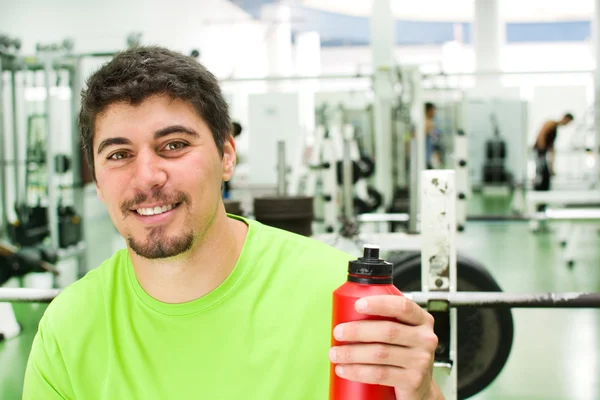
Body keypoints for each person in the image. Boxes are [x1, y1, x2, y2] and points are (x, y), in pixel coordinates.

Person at [23, 46, 442, 400]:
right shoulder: (69, 328)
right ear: (96, 179)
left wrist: (422, 392)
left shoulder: (344, 301)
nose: (147, 176)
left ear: (226, 155)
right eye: (118, 154)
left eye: (173, 145)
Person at [533, 113, 574, 191]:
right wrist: (542, 150)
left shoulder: (555, 129)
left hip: (543, 151)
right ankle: (539, 187)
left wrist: (552, 165)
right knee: (541, 169)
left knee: (544, 171)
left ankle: (543, 188)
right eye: (568, 122)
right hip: (540, 150)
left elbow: (552, 146)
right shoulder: (550, 123)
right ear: (565, 118)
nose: (567, 124)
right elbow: (541, 135)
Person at [424, 102, 441, 169]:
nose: (434, 112)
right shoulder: (426, 122)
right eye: (433, 110)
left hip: (430, 156)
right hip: (426, 156)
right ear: (429, 110)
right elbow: (435, 139)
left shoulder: (431, 122)